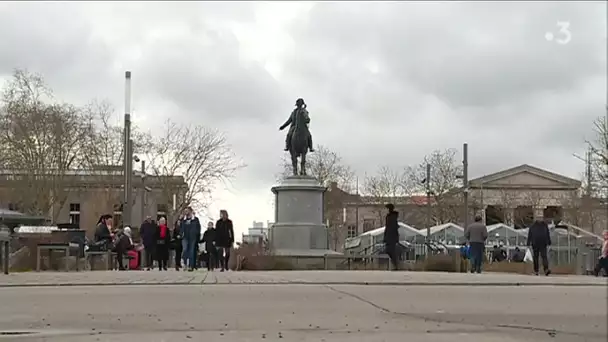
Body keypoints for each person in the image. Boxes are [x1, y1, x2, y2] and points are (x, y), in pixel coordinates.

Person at [180, 207, 201, 272]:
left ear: (190, 211)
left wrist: (196, 234)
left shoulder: (195, 219)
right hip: (185, 237)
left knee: (191, 251)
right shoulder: (183, 220)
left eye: (187, 211)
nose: (186, 212)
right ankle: (185, 263)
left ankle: (191, 266)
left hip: (192, 238)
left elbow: (198, 228)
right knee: (185, 249)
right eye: (185, 211)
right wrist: (181, 234)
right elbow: (180, 227)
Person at [382, 203, 399, 271]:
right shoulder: (390, 216)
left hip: (391, 236)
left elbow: (391, 227)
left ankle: (395, 265)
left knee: (390, 250)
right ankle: (394, 264)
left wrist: (387, 237)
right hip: (390, 236)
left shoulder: (391, 217)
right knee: (389, 251)